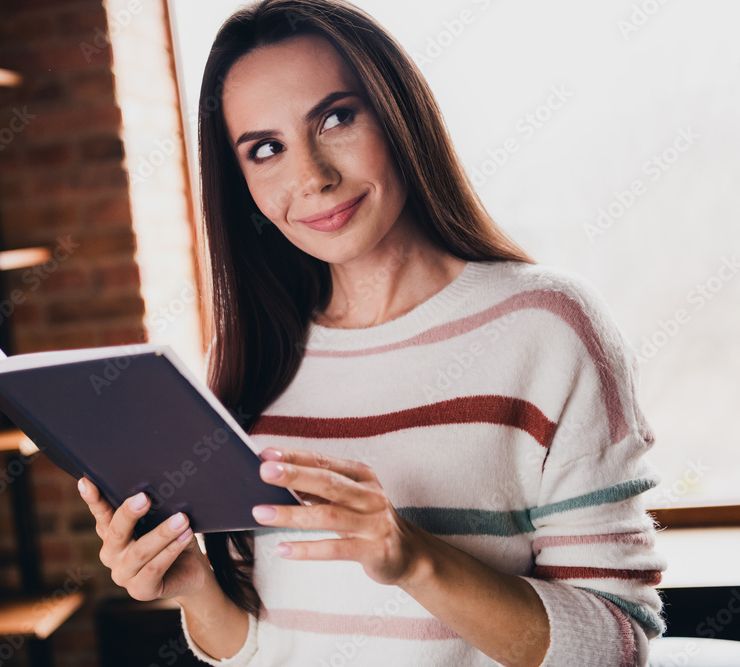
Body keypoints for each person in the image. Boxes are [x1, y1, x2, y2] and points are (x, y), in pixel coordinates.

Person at [76, 0, 666, 664]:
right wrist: (196, 591)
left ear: (397, 112)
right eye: (265, 149)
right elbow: (274, 647)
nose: (313, 177)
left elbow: (618, 646)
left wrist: (413, 557)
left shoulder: (549, 328)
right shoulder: (249, 363)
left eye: (336, 118)